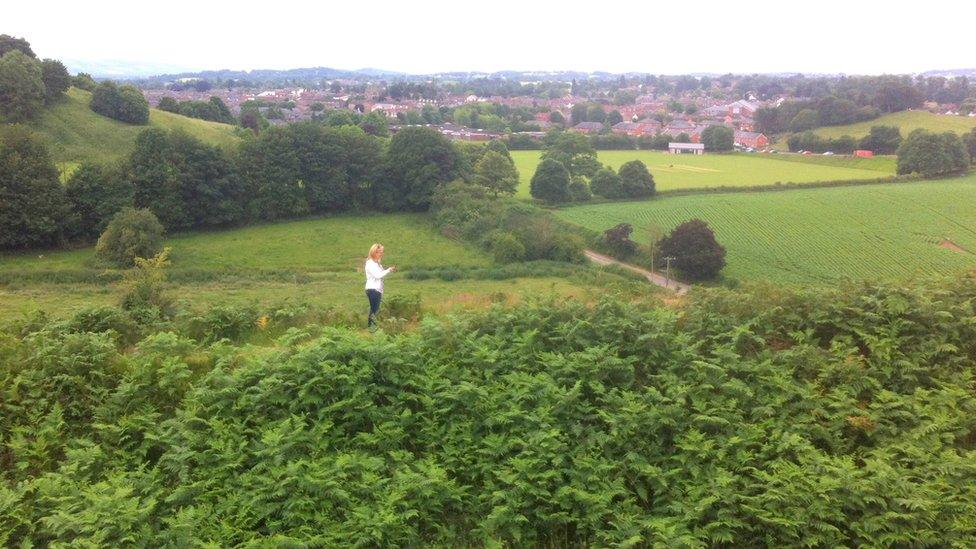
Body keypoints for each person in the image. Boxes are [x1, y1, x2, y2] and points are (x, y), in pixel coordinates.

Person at [364, 243, 396, 328]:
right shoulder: (370, 263)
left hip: (376, 289)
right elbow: (378, 275)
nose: (381, 254)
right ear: (374, 252)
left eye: (382, 252)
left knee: (374, 309)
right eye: (379, 252)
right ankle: (372, 328)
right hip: (373, 289)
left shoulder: (377, 263)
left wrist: (389, 270)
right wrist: (389, 270)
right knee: (375, 310)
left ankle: (372, 328)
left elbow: (380, 274)